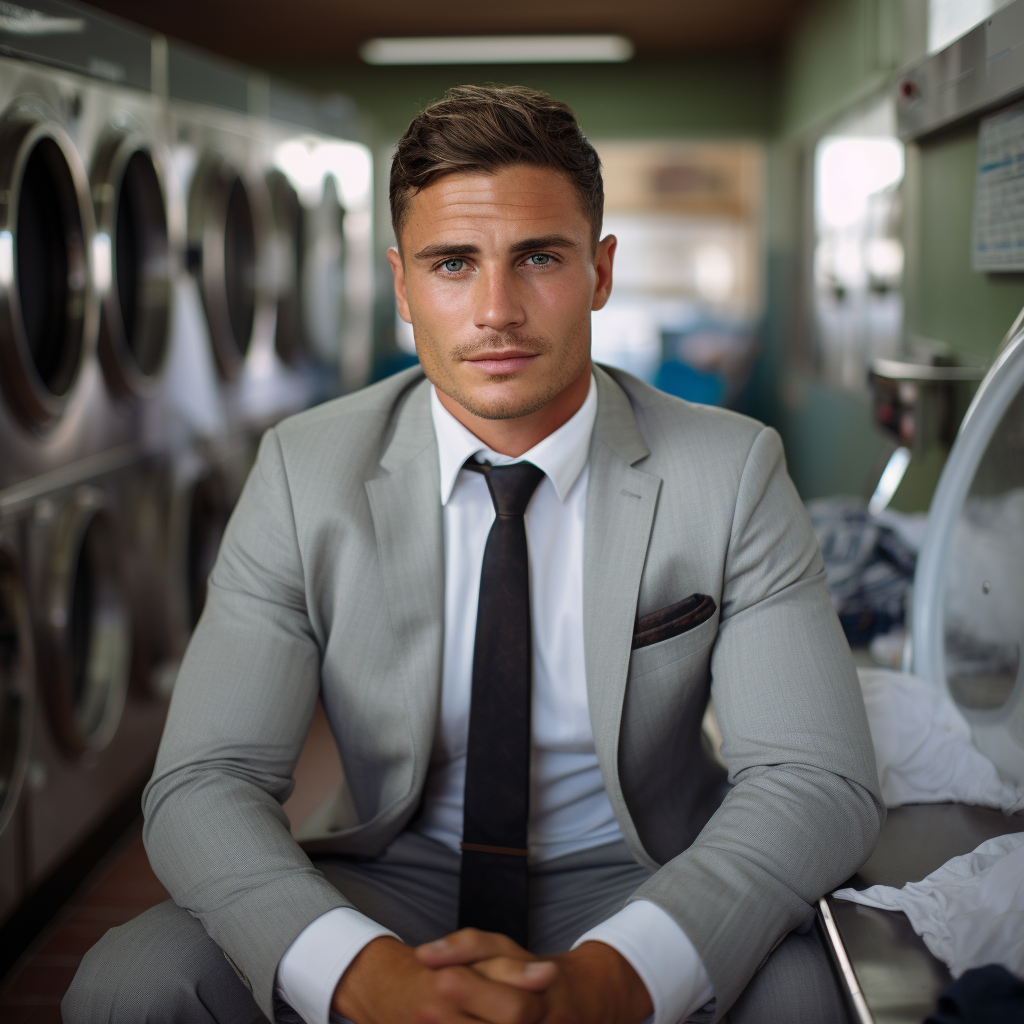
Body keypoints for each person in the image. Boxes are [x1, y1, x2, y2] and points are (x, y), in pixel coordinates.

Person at [64, 84, 883, 1024]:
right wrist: (360, 974)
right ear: (403, 286)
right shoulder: (303, 470)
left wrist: (622, 973)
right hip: (394, 879)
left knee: (809, 999)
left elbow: (817, 777)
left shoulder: (732, 469)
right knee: (133, 985)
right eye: (453, 263)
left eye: (538, 257)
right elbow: (204, 779)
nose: (497, 310)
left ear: (600, 272)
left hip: (643, 876)